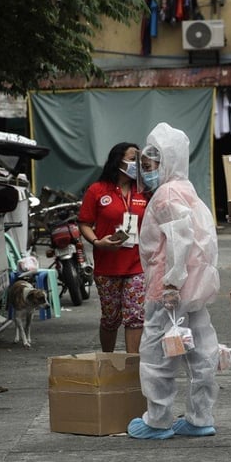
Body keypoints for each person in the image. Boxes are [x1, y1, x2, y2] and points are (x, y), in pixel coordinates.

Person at [126, 123, 221, 440]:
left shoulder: (166, 195)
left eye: (151, 165)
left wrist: (171, 283)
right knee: (201, 353)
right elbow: (204, 241)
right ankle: (199, 417)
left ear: (167, 162)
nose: (146, 171)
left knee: (158, 355)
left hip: (168, 291)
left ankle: (158, 420)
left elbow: (179, 241)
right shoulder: (187, 189)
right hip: (193, 290)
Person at [78, 142, 149, 353]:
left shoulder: (145, 191)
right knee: (111, 318)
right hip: (107, 265)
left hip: (138, 264)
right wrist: (97, 242)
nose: (137, 163)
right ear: (118, 160)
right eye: (131, 158)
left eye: (139, 158)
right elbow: (84, 223)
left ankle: (131, 365)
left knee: (136, 316)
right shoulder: (97, 190)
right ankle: (107, 360)